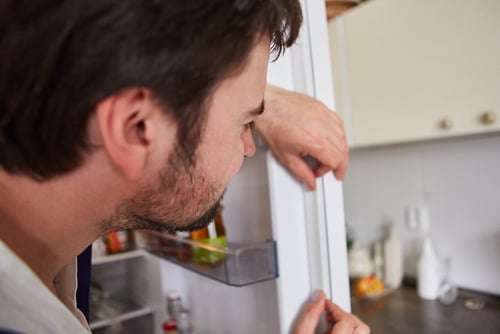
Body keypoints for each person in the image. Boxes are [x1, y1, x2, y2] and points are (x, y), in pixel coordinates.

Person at [0, 1, 366, 333]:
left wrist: (265, 100)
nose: (249, 148)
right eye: (244, 123)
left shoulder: (52, 247)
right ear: (137, 129)